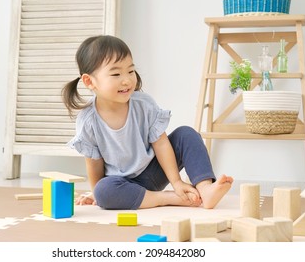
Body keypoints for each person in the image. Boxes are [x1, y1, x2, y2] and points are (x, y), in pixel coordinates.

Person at [62, 35, 233, 210]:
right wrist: (96, 192)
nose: (127, 80)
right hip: (122, 185)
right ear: (89, 81)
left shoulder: (144, 104)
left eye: (130, 71)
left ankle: (205, 189)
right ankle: (165, 198)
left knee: (186, 134)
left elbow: (161, 144)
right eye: (115, 74)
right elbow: (94, 163)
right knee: (104, 190)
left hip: (153, 173)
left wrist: (176, 181)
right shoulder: (88, 121)